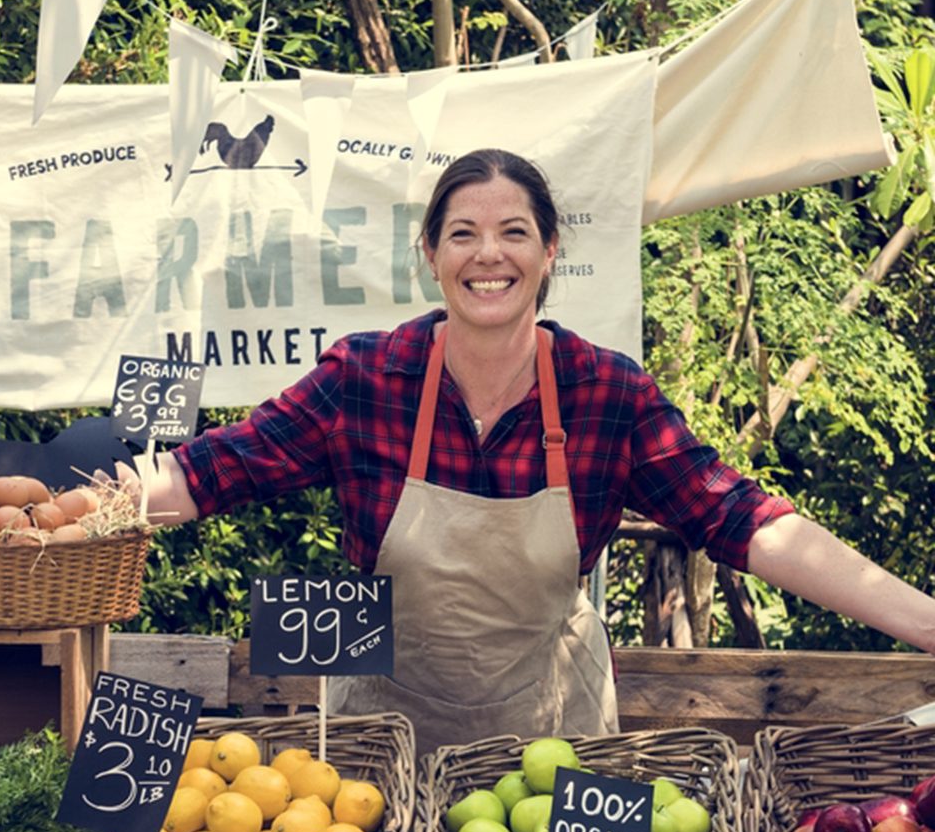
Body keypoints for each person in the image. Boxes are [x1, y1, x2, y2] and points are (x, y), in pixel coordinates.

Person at [111, 148, 935, 759]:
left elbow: (740, 518)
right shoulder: (366, 378)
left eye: (514, 232)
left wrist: (926, 623)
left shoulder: (604, 393)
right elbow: (210, 472)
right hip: (377, 745)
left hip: (554, 741)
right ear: (431, 256)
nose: (488, 254)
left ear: (547, 255)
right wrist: (59, 514)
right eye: (462, 234)